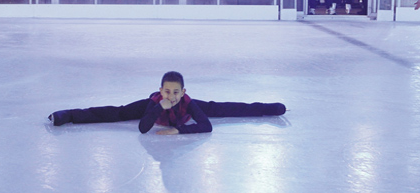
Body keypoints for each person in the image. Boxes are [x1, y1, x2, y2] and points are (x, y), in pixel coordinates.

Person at [48, 71, 286, 134]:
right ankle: (67, 114)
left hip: (181, 115)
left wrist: (177, 130)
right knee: (118, 112)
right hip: (149, 108)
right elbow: (143, 129)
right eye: (167, 91)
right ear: (161, 90)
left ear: (183, 92)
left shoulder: (188, 102)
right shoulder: (154, 102)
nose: (171, 96)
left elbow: (207, 125)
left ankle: (269, 108)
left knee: (222, 108)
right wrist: (157, 108)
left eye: (176, 92)